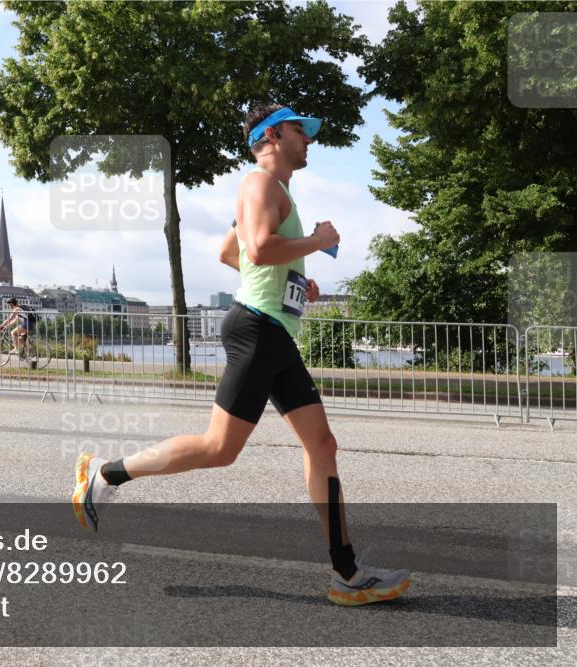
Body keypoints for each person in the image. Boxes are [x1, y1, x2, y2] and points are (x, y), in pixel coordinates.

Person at [72, 104, 410, 607]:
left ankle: (347, 573)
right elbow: (257, 250)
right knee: (220, 448)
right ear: (271, 136)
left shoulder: (275, 191)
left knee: (322, 444)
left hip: (275, 332)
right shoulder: (259, 184)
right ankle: (104, 474)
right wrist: (315, 241)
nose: (308, 139)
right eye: (300, 130)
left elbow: (231, 253)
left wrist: (295, 280)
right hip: (257, 330)